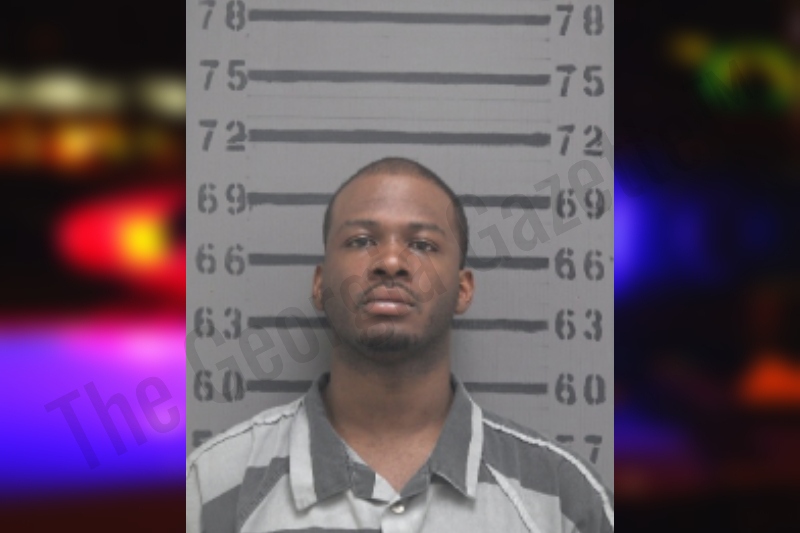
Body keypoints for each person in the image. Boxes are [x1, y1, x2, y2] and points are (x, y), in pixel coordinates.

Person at [186, 157, 614, 533]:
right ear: (319, 285)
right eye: (361, 241)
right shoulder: (214, 485)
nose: (391, 262)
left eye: (422, 245)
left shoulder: (562, 498)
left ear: (464, 290)